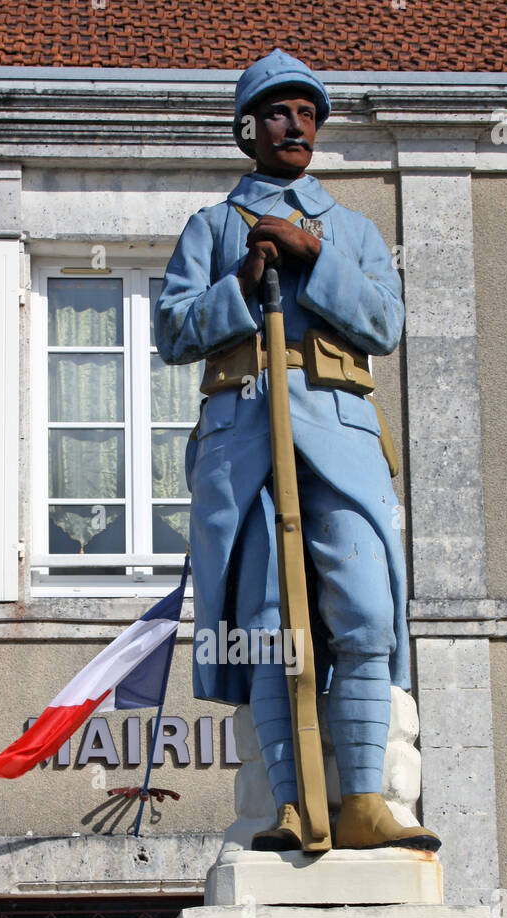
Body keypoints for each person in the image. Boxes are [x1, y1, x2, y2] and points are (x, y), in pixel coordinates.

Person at [155, 48, 440, 853]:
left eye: (309, 114)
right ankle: (290, 804)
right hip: (245, 444)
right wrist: (241, 283)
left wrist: (315, 260)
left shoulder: (349, 229)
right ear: (249, 128)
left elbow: (385, 325)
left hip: (341, 441)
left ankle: (362, 802)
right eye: (280, 112)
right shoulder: (213, 227)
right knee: (267, 623)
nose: (297, 127)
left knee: (367, 608)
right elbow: (173, 332)